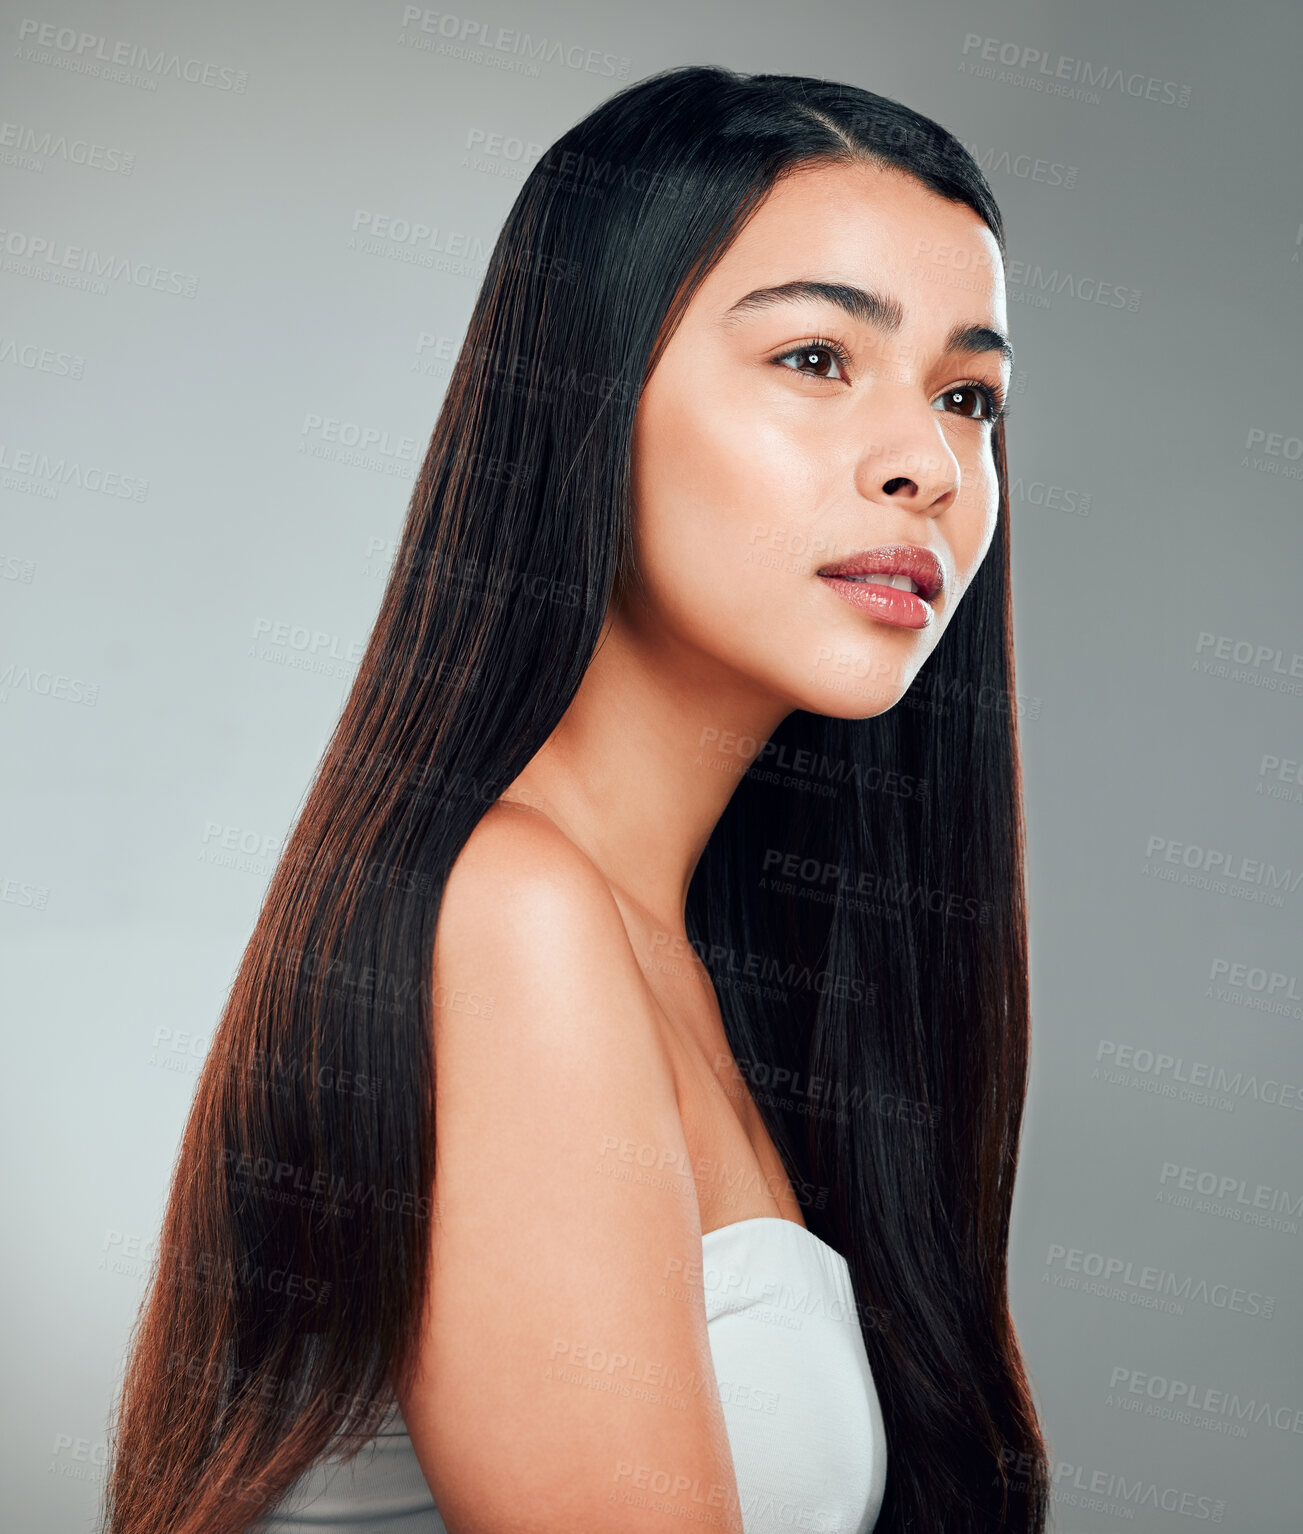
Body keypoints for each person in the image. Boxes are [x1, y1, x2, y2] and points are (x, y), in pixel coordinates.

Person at [102, 64, 1050, 1534]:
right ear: (592, 390)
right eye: (815, 358)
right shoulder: (522, 919)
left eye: (969, 395)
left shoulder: (715, 957)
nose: (925, 463)